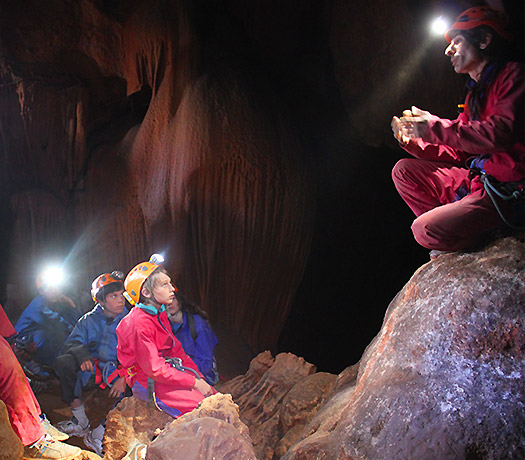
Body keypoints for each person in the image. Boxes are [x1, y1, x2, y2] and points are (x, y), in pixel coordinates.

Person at [391, 6, 524, 257]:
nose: (448, 50)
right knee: (403, 171)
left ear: (484, 40)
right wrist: (415, 140)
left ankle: (466, 233)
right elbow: (460, 149)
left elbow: (498, 134)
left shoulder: (513, 77)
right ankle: (459, 226)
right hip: (479, 182)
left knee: (424, 230)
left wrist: (432, 127)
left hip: (509, 192)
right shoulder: (476, 92)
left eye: (458, 41)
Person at [117, 255, 215, 419]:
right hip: (146, 379)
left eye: (169, 283)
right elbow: (154, 369)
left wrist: (198, 377)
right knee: (203, 408)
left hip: (166, 371)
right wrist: (194, 383)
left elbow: (176, 350)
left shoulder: (159, 313)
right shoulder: (138, 324)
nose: (172, 289)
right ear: (146, 292)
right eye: (164, 284)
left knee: (213, 397)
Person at [54, 271, 129, 456]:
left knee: (138, 384)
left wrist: (125, 376)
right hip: (94, 371)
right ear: (101, 302)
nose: (121, 300)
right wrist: (82, 355)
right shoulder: (88, 321)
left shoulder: (130, 320)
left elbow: (140, 354)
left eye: (122, 295)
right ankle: (80, 420)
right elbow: (71, 343)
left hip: (120, 370)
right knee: (63, 362)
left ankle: (100, 432)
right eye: (114, 296)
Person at [0, 304, 81, 460]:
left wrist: (11, 340)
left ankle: (36, 419)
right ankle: (33, 440)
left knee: (8, 352)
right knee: (4, 362)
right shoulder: (39, 304)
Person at [14, 268, 81, 376]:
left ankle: (52, 362)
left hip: (34, 338)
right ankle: (36, 363)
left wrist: (71, 304)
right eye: (49, 289)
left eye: (56, 288)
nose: (54, 292)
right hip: (21, 343)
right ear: (41, 291)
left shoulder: (54, 303)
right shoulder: (39, 305)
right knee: (56, 332)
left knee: (60, 331)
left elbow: (75, 321)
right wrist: (76, 332)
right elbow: (58, 323)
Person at [166, 291, 219, 385]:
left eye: (173, 299)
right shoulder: (163, 327)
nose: (169, 303)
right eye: (165, 301)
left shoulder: (198, 325)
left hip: (200, 375)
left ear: (180, 300)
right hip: (177, 373)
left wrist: (181, 371)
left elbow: (206, 363)